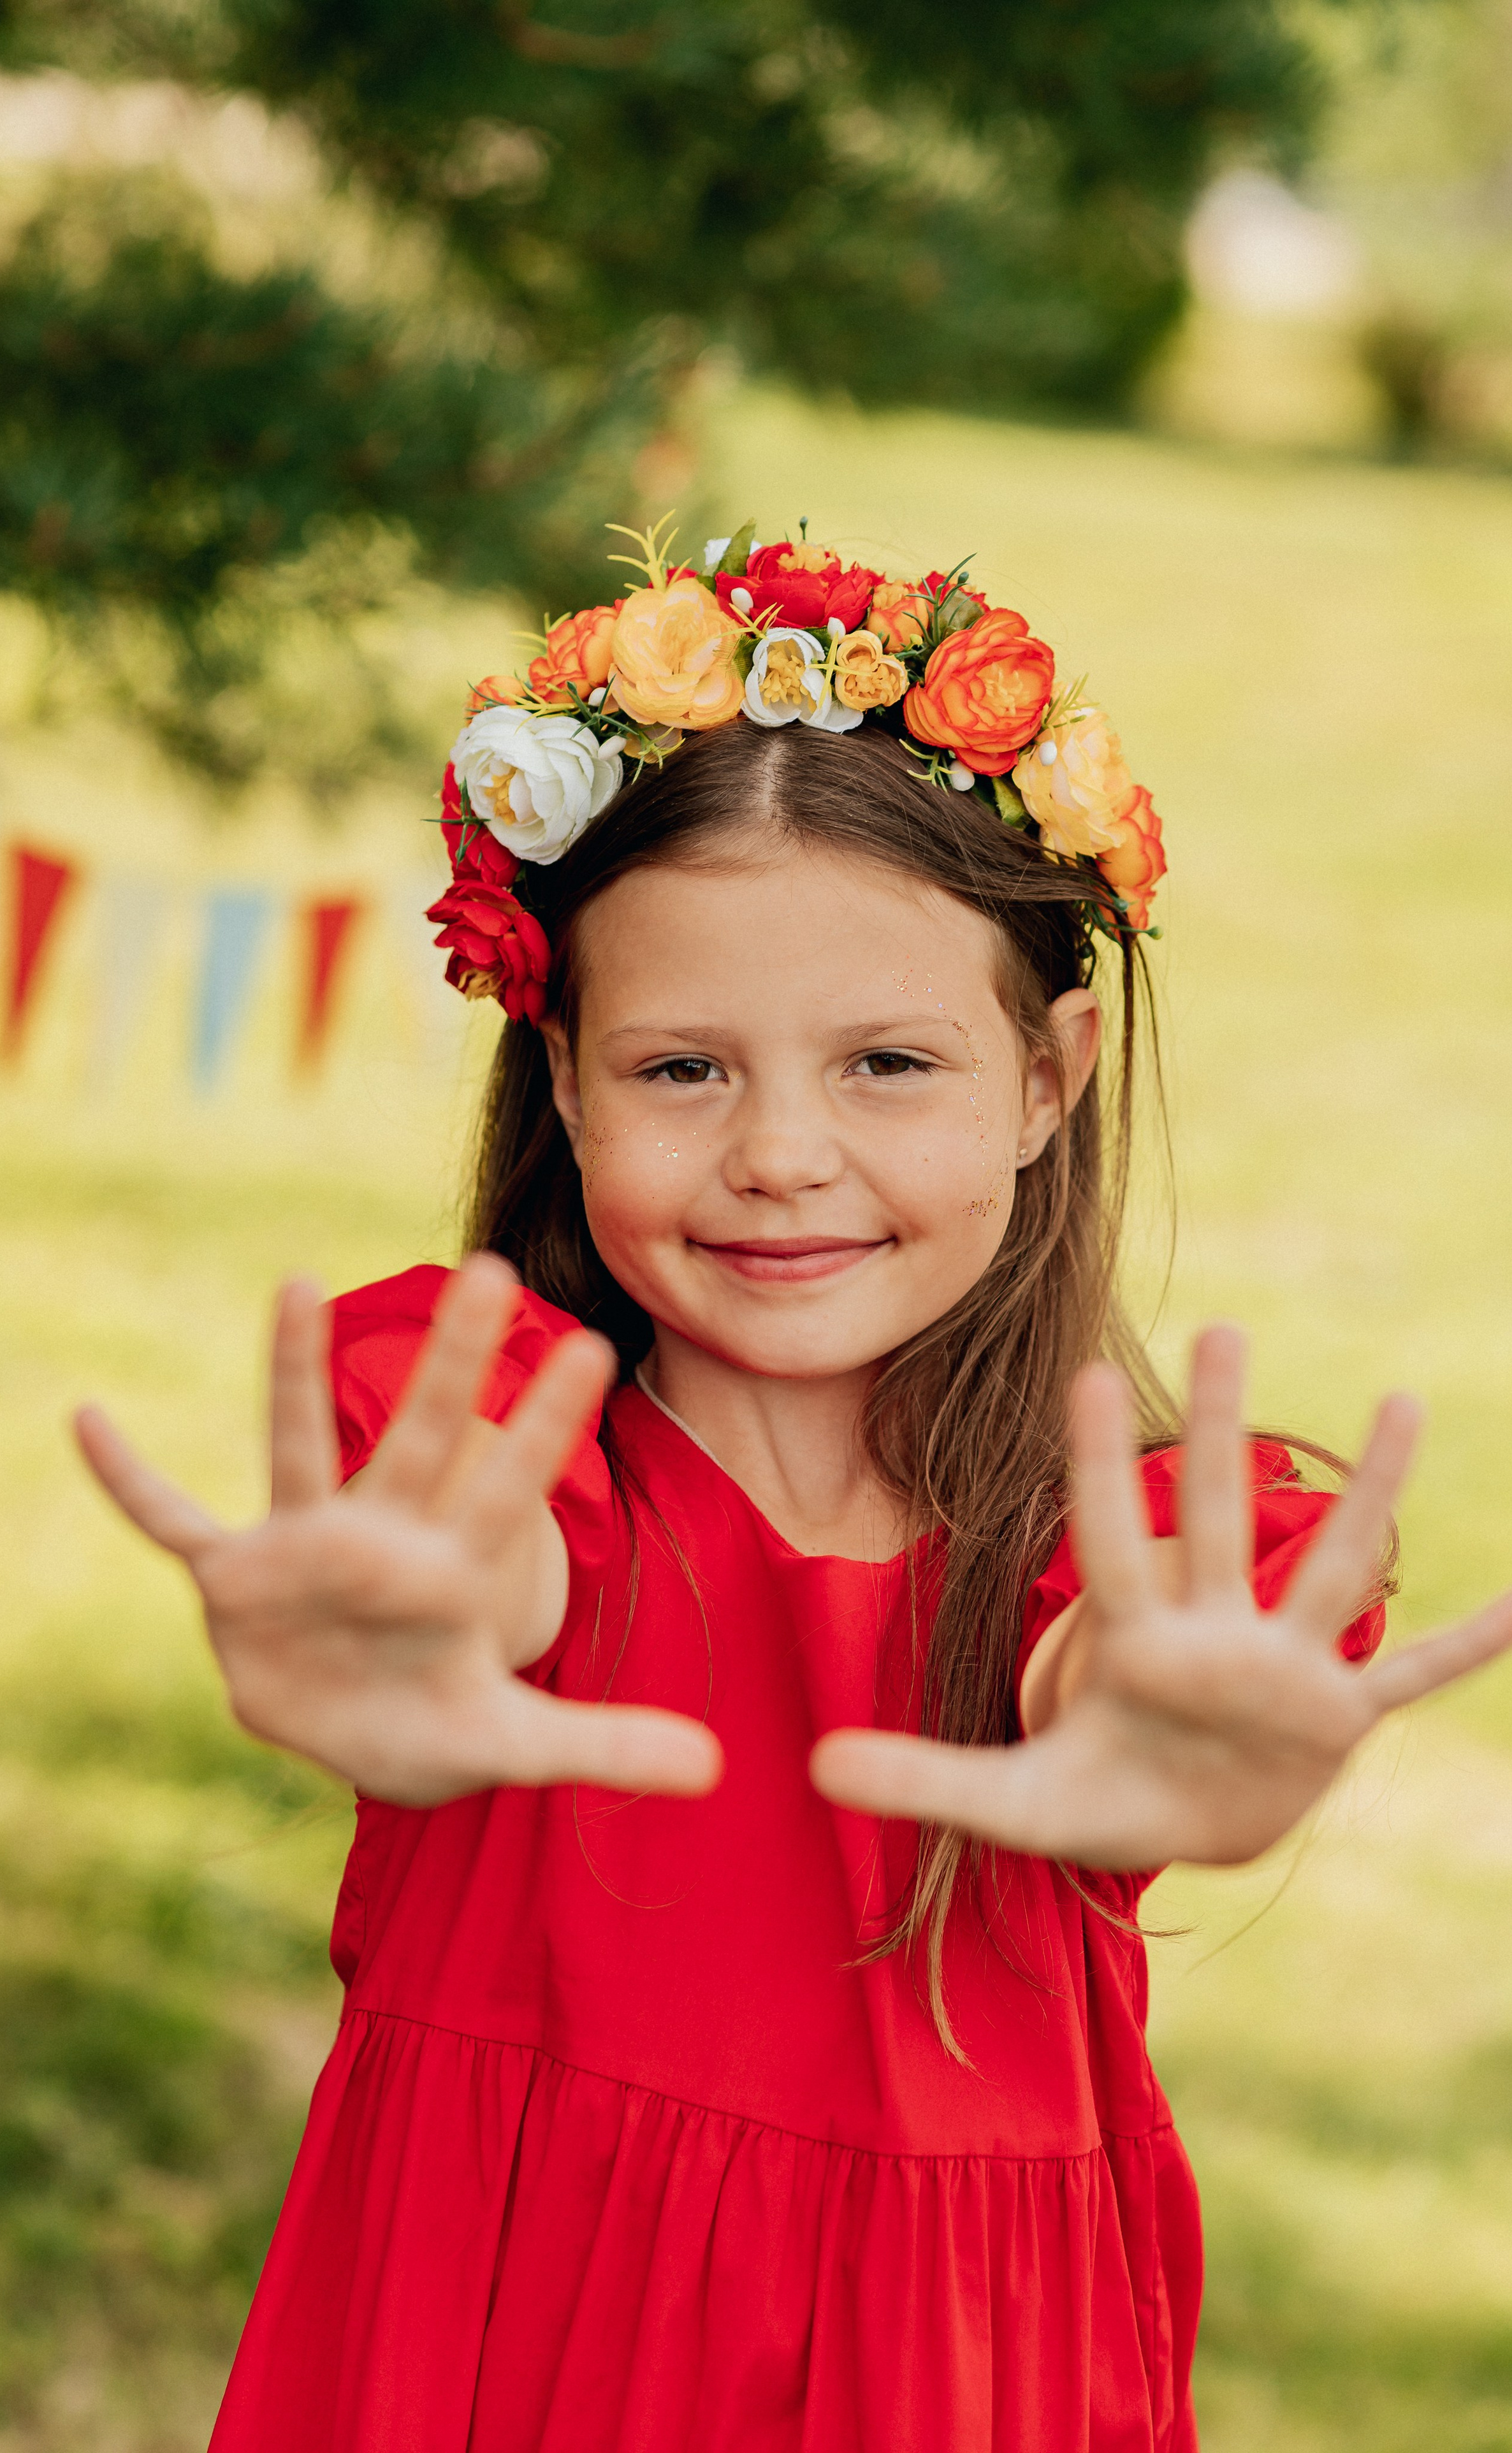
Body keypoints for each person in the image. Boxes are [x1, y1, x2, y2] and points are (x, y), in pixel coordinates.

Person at [78, 525, 1512, 2452]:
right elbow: (481, 1569)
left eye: (887, 1064)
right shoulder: (500, 1435)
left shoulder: (1126, 1556)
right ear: (562, 1078)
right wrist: (408, 1606)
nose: (780, 1156)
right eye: (683, 1072)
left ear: (1045, 1077)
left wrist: (1168, 1721)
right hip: (493, 2364)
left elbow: (1110, 1665)